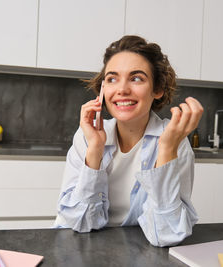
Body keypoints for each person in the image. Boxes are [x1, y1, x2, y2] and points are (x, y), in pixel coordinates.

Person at [54, 35, 204, 247]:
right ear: (103, 90)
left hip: (136, 250)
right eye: (112, 79)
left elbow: (167, 234)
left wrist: (167, 150)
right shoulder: (87, 137)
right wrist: (95, 149)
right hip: (80, 247)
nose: (122, 89)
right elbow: (78, 222)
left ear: (158, 89)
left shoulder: (174, 141)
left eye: (136, 78)